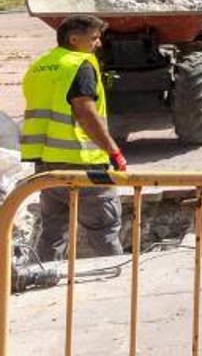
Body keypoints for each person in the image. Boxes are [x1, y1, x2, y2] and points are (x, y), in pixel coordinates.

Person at [21, 14, 125, 260]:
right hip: (83, 162)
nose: (98, 44)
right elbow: (85, 113)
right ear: (74, 38)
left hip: (46, 164)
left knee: (52, 232)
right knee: (104, 230)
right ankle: (117, 283)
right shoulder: (80, 64)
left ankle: (42, 280)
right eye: (94, 38)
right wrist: (114, 151)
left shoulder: (40, 65)